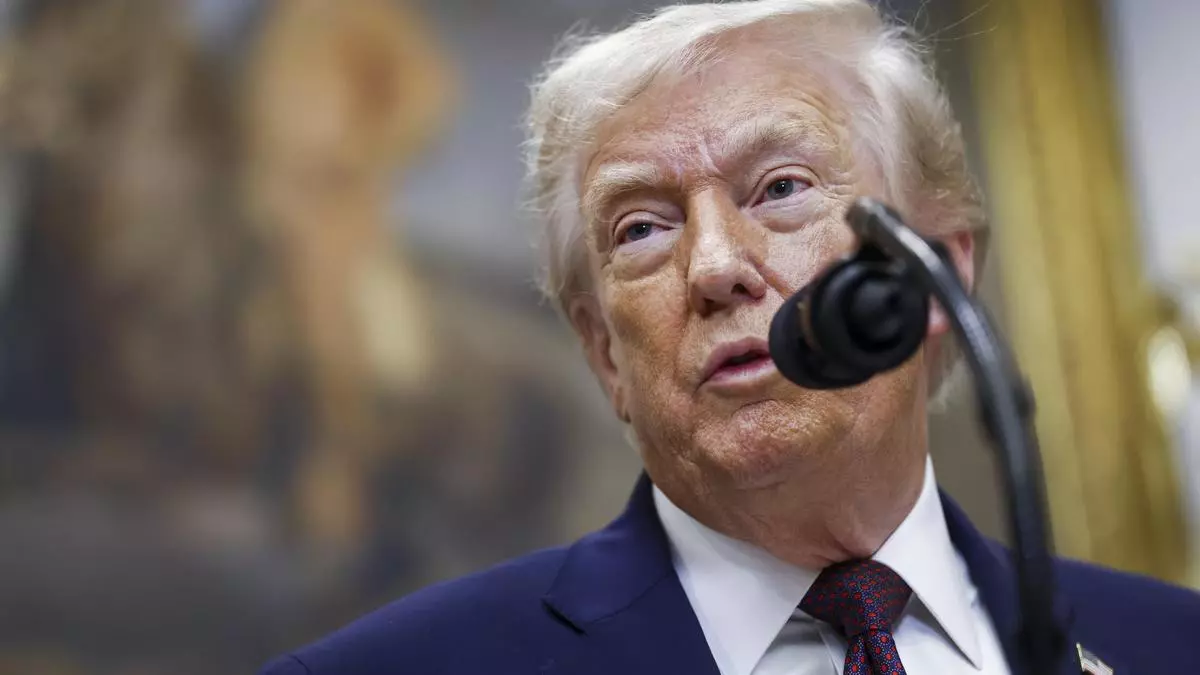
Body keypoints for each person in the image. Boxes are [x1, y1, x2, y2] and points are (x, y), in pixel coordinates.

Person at [261, 1, 1200, 674]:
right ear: (603, 351)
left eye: (782, 187)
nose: (714, 264)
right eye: (642, 228)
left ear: (933, 279)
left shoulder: (1172, 645)